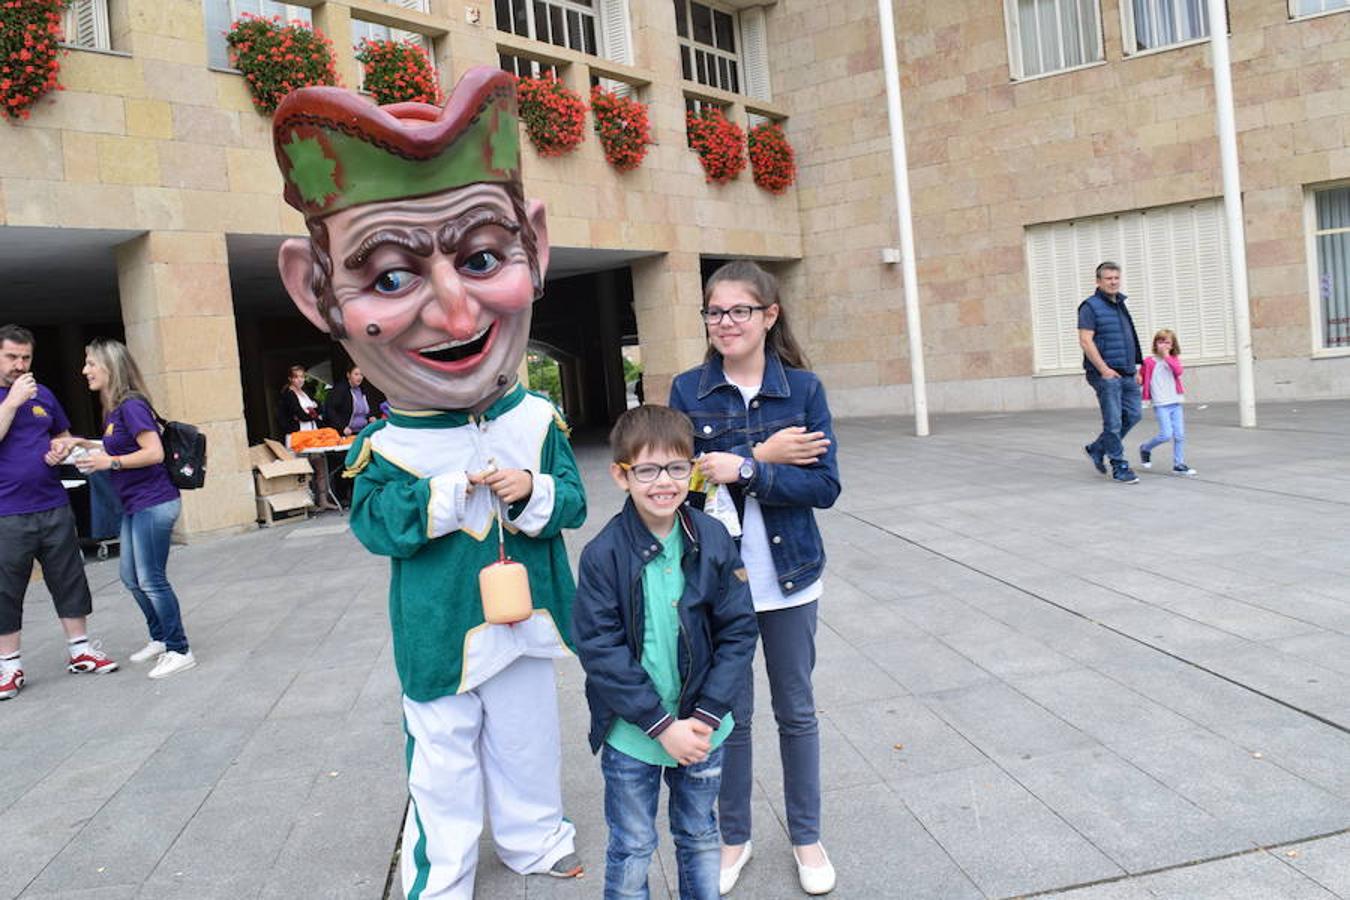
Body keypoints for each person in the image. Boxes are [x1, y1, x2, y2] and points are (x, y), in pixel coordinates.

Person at [272, 67, 588, 897]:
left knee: (527, 738)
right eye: (386, 277)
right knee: (444, 760)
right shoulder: (385, 446)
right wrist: (447, 501)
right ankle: (441, 872)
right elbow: (375, 528)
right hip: (438, 641)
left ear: (536, 249)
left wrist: (532, 492)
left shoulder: (536, 421)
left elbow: (574, 502)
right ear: (318, 295)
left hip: (527, 624)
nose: (455, 315)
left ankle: (532, 836)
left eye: (484, 257)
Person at [668, 261, 841, 896]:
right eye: (715, 311)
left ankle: (806, 837)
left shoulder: (803, 390)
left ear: (769, 316)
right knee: (728, 716)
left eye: (740, 310)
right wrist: (762, 457)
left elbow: (824, 486)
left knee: (796, 711)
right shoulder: (688, 390)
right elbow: (674, 482)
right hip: (720, 584)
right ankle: (733, 838)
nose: (725, 323)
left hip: (792, 577)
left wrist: (739, 469)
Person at [573, 405, 758, 900]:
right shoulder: (602, 555)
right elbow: (599, 649)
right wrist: (660, 725)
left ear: (692, 469)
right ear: (621, 474)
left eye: (677, 468)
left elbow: (739, 631)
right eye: (648, 470)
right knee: (632, 845)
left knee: (699, 836)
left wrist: (704, 715)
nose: (664, 483)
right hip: (633, 733)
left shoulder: (712, 537)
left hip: (702, 728)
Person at [50, 339, 196, 680]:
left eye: (90, 363)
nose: (84, 370)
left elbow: (153, 453)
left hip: (154, 502)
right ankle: (160, 638)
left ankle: (179, 649)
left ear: (109, 366)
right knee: (131, 578)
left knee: (151, 579)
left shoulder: (131, 406)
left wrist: (109, 462)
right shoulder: (115, 409)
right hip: (135, 505)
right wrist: (85, 444)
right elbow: (120, 445)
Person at [0, 325, 119, 700]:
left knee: (68, 577)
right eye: (11, 357)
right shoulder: (17, 397)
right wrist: (12, 402)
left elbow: (62, 436)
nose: (20, 365)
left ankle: (80, 650)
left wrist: (61, 449)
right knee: (6, 589)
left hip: (52, 503)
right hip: (7, 512)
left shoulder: (45, 395)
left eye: (25, 358)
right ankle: (9, 667)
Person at [1079, 261, 1145, 485]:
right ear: (1098, 281)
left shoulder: (1120, 304)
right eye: (1108, 278)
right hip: (1105, 374)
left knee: (1134, 414)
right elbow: (1086, 341)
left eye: (1116, 278)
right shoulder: (1090, 306)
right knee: (1113, 421)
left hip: (1126, 372)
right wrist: (1104, 370)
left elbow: (1129, 337)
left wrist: (1135, 367)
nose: (1113, 282)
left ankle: (1098, 448)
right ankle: (1118, 465)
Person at [276, 364, 337, 511]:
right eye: (297, 377)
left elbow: (320, 407)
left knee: (320, 466)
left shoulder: (305, 392)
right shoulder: (288, 394)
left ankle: (323, 499)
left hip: (312, 434)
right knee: (302, 470)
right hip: (298, 436)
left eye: (302, 377)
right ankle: (306, 504)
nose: (300, 380)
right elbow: (301, 414)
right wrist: (311, 412)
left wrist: (311, 411)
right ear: (291, 379)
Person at [1139, 329, 1197, 477]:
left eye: (1167, 342)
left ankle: (1178, 464)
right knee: (1166, 434)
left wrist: (1167, 357)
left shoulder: (1173, 359)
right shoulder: (1149, 362)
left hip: (1175, 401)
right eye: (1160, 341)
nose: (1164, 345)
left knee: (1179, 435)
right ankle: (1145, 448)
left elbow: (1178, 371)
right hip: (1160, 403)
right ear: (1155, 344)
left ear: (1172, 345)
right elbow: (1141, 377)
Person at [324, 363, 374, 436]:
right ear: (348, 375)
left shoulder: (363, 390)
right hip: (347, 433)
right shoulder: (340, 390)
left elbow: (368, 409)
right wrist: (342, 427)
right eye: (356, 374)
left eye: (361, 374)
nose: (359, 377)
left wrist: (371, 417)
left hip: (363, 431)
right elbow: (330, 410)